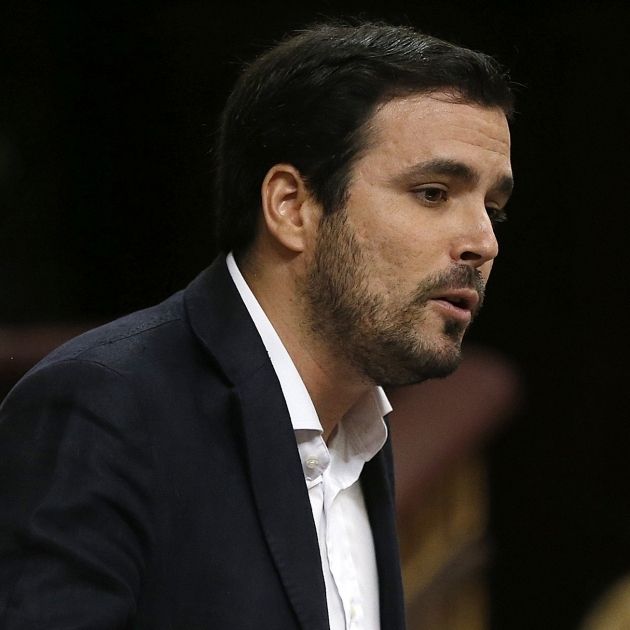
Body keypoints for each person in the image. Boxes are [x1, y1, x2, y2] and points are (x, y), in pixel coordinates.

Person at [0, 21, 514, 630]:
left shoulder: (358, 434)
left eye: (493, 209)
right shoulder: (103, 409)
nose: (483, 242)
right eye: (432, 193)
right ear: (291, 207)